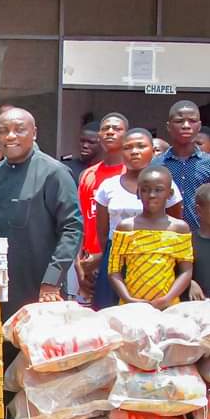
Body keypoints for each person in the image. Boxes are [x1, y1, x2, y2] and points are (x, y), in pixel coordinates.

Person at [0, 108, 82, 319]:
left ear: (34, 133)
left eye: (19, 130)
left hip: (42, 290)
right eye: (4, 131)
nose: (10, 136)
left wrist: (52, 280)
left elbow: (72, 228)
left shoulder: (55, 173)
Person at [92, 128, 183, 308]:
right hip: (117, 258)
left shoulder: (167, 184)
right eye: (128, 147)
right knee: (110, 311)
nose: (134, 152)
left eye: (141, 146)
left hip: (157, 260)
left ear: (152, 149)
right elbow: (102, 232)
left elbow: (174, 223)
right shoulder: (108, 186)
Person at [107, 165, 193, 308]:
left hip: (169, 306)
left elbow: (186, 271)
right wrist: (128, 299)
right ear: (138, 193)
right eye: (145, 190)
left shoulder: (179, 229)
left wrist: (167, 299)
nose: (151, 195)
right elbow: (113, 270)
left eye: (158, 190)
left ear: (170, 194)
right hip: (131, 306)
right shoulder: (126, 228)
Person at [75, 113, 129, 301]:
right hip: (89, 264)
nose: (110, 132)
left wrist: (103, 256)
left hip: (124, 262)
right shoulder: (88, 175)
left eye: (117, 129)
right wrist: (78, 264)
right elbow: (78, 223)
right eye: (106, 129)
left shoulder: (132, 175)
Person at [153, 99, 210, 230]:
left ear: (199, 126)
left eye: (192, 121)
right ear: (169, 126)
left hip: (202, 238)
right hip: (165, 237)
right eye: (179, 121)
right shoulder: (156, 165)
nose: (186, 125)